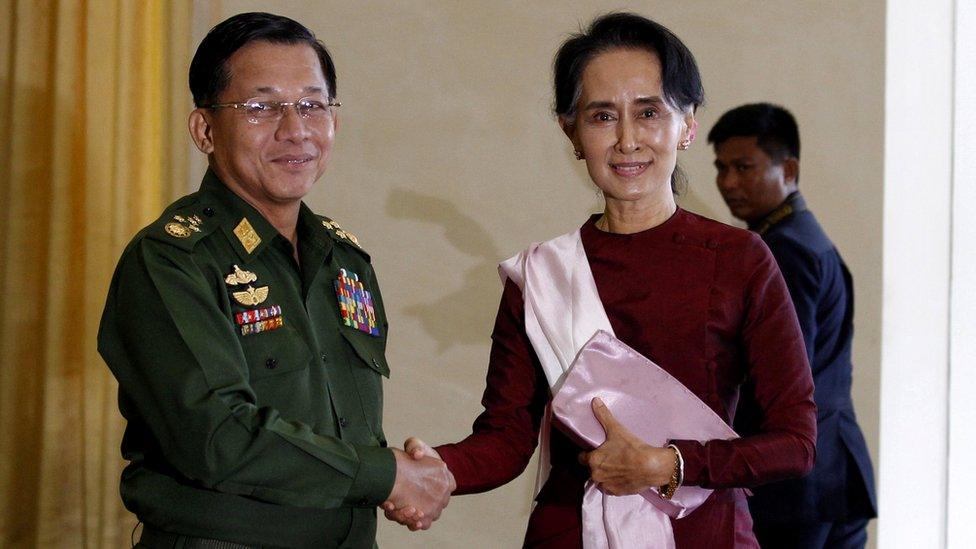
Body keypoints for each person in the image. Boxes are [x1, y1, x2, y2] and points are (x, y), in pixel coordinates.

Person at [384, 13, 817, 548]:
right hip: (570, 533)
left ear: (687, 125)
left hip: (704, 533)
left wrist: (668, 464)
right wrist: (434, 469)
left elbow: (795, 443)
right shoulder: (540, 276)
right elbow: (506, 438)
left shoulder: (740, 260)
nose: (627, 140)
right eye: (603, 116)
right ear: (572, 132)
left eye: (649, 112)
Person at [97, 12, 453, 548]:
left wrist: (404, 474)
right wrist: (387, 474)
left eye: (312, 105)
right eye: (261, 108)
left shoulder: (344, 259)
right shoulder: (171, 261)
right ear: (205, 129)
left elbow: (347, 429)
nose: (296, 130)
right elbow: (215, 437)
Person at [709, 103, 877, 548]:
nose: (728, 182)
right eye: (721, 168)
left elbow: (781, 376)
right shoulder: (804, 236)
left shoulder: (784, 251)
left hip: (798, 485)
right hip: (830, 471)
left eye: (744, 167)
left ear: (789, 168)